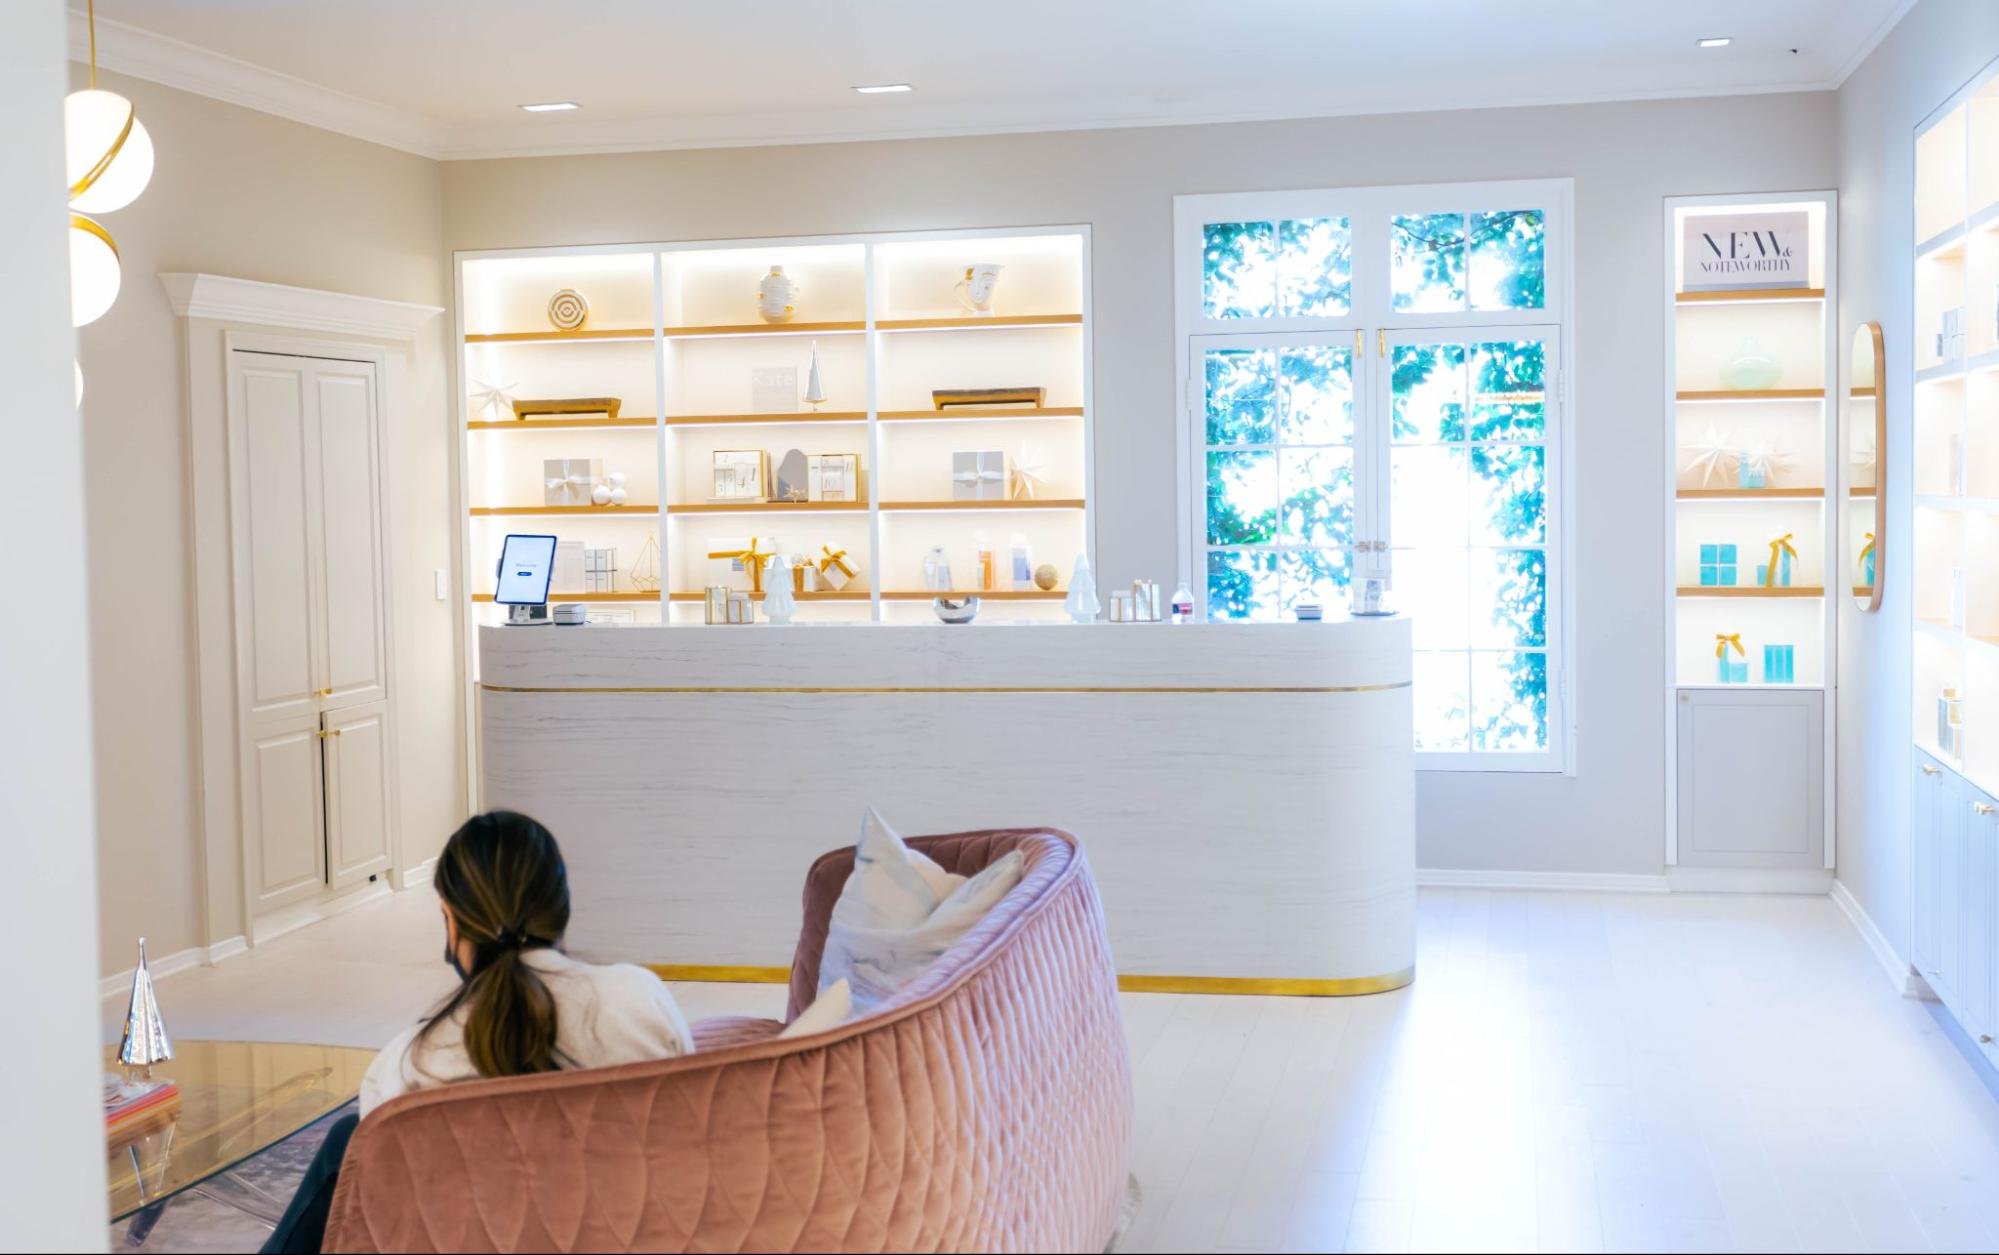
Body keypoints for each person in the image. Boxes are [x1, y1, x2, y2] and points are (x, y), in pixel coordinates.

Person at [261, 811, 694, 1254]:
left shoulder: (408, 1064)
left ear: (452, 922)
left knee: (349, 1138)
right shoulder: (641, 1001)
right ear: (560, 907)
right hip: (631, 1236)